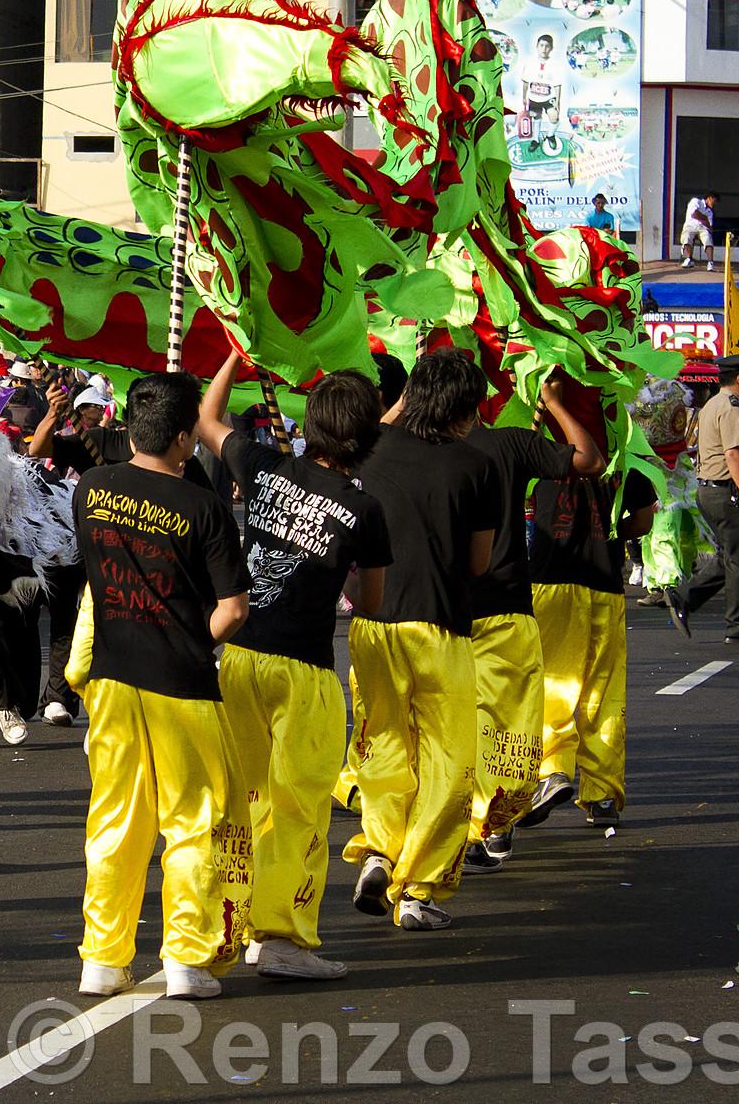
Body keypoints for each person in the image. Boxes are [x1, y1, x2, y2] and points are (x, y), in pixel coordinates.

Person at [196, 356, 389, 981]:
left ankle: (230, 923)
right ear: (365, 438)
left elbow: (206, 417)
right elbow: (371, 604)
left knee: (241, 797)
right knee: (300, 804)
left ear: (313, 425)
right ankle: (282, 938)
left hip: (240, 658)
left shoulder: (265, 466)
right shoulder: (363, 510)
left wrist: (235, 355)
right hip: (304, 670)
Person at [65, 370, 251, 1000]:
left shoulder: (91, 488)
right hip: (182, 683)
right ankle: (186, 960)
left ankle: (103, 959)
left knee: (114, 821)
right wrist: (195, 636)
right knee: (192, 824)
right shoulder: (205, 507)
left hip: (113, 679)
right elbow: (232, 610)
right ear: (183, 438)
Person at [343, 350, 497, 932]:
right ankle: (419, 888)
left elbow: (388, 422)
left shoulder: (372, 449)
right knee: (449, 761)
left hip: (372, 623)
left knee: (383, 745)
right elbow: (479, 562)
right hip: (441, 625)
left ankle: (380, 849)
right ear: (466, 410)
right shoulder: (473, 465)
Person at [458, 377, 603, 875]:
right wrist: (556, 406)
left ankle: (458, 835)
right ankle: (496, 821)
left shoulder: (417, 449)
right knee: (508, 726)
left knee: (454, 729)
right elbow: (588, 458)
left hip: (439, 614)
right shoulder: (508, 443)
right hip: (506, 608)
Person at [525, 468, 658, 830]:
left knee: (554, 683)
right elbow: (645, 520)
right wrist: (613, 537)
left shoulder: (544, 454)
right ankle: (602, 796)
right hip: (605, 583)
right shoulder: (622, 457)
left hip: (551, 581)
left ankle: (552, 770)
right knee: (604, 692)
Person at [667, 351, 739, 645]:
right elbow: (733, 454)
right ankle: (738, 625)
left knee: (729, 556)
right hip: (725, 491)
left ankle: (684, 598)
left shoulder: (712, 404)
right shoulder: (732, 409)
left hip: (709, 490)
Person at [679, 194, 715, 269]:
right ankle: (688, 259)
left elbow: (710, 225)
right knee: (687, 237)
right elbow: (694, 214)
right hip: (690, 226)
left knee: (708, 239)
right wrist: (705, 218)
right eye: (714, 201)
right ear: (709, 198)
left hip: (703, 228)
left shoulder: (710, 212)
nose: (714, 204)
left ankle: (710, 263)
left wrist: (707, 224)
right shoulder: (696, 201)